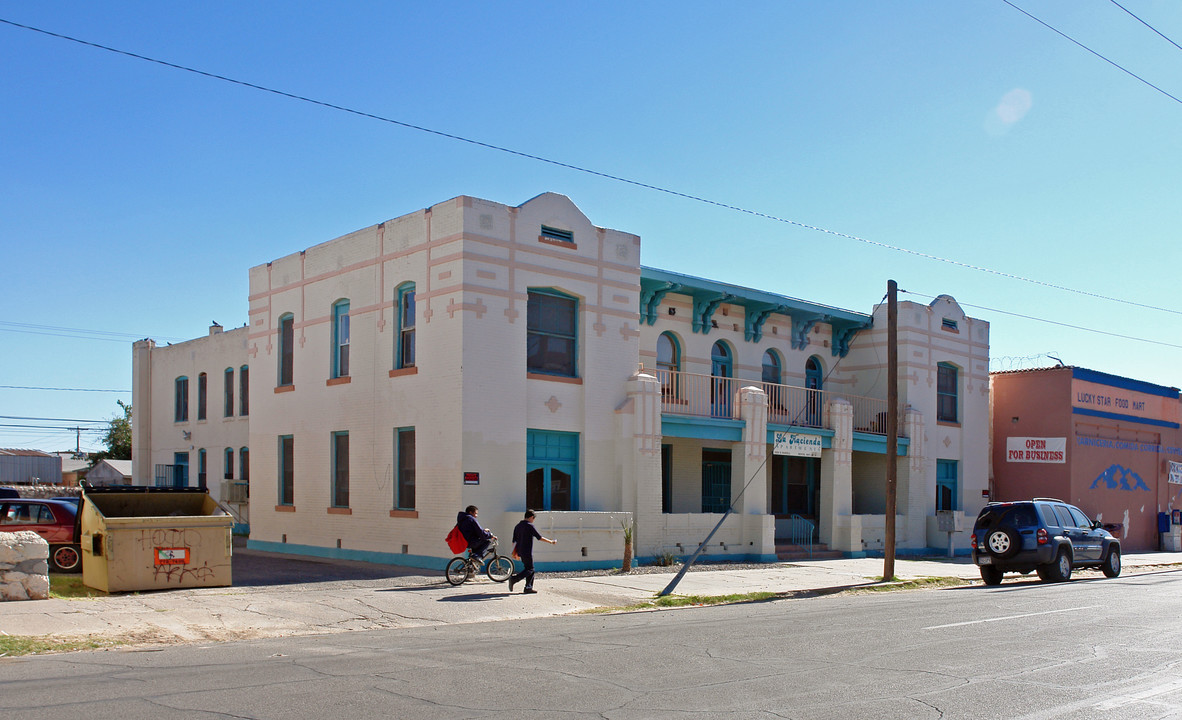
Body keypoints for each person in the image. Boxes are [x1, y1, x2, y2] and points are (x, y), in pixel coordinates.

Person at [508, 509, 556, 594]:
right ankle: (514, 579)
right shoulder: (530, 526)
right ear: (531, 517)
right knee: (530, 569)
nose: (533, 520)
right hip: (527, 551)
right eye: (533, 518)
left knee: (529, 568)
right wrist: (551, 542)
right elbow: (539, 537)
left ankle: (528, 587)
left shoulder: (518, 526)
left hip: (520, 551)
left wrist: (514, 553)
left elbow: (514, 541)